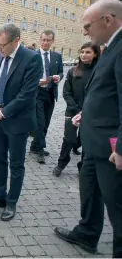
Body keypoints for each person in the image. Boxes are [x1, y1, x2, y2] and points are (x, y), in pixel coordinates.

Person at [54, 0, 122, 257]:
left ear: (108, 19)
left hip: (111, 147)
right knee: (90, 190)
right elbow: (107, 94)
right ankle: (87, 233)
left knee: (117, 207)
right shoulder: (110, 46)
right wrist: (86, 113)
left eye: (87, 25)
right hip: (94, 143)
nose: (84, 32)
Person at [0, 24, 43, 221]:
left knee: (16, 164)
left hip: (17, 121)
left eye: (2, 45)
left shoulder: (31, 58)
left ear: (16, 41)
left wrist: (3, 112)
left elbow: (27, 94)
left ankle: (11, 202)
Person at [52, 42, 100, 177]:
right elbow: (66, 93)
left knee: (86, 141)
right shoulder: (73, 71)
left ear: (95, 54)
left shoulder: (99, 71)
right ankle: (61, 163)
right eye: (82, 52)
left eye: (88, 52)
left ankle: (83, 167)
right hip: (72, 112)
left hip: (91, 113)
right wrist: (77, 110)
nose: (84, 55)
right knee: (69, 139)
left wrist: (86, 111)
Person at [30, 30, 64, 164]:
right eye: (43, 40)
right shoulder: (33, 55)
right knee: (40, 122)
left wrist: (58, 77)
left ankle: (34, 145)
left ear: (52, 41)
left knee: (46, 123)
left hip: (50, 93)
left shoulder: (56, 56)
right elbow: (26, 74)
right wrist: (36, 81)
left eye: (48, 40)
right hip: (37, 94)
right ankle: (40, 149)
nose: (45, 42)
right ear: (40, 40)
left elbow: (61, 71)